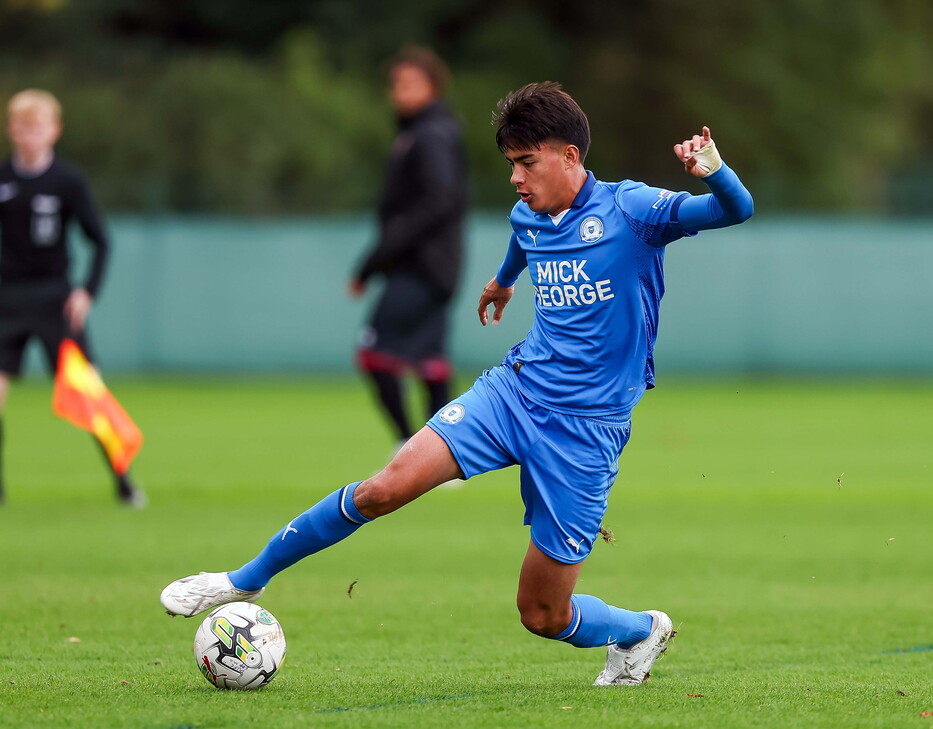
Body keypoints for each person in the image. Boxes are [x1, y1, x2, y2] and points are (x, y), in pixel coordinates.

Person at [162, 82, 753, 686]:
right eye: (511, 165)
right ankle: (246, 577)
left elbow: (735, 211)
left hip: (586, 431)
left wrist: (715, 171)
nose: (517, 179)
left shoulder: (633, 211)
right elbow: (526, 238)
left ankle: (639, 632)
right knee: (383, 489)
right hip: (514, 394)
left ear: (570, 156)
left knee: (543, 615)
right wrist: (502, 282)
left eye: (528, 162)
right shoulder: (529, 212)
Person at [0, 89, 144, 507]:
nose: (29, 134)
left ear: (54, 131)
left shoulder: (67, 181)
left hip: (54, 301)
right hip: (7, 301)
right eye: (22, 126)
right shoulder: (3, 180)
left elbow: (100, 241)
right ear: (12, 129)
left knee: (88, 395)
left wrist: (86, 292)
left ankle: (124, 483)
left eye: (38, 126)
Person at [350, 46, 467, 448]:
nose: (398, 92)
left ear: (433, 87)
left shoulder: (431, 133)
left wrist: (372, 262)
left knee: (375, 354)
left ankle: (409, 446)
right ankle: (448, 458)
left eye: (409, 84)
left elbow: (439, 201)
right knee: (430, 363)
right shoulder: (422, 132)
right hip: (437, 267)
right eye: (395, 84)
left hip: (421, 266)